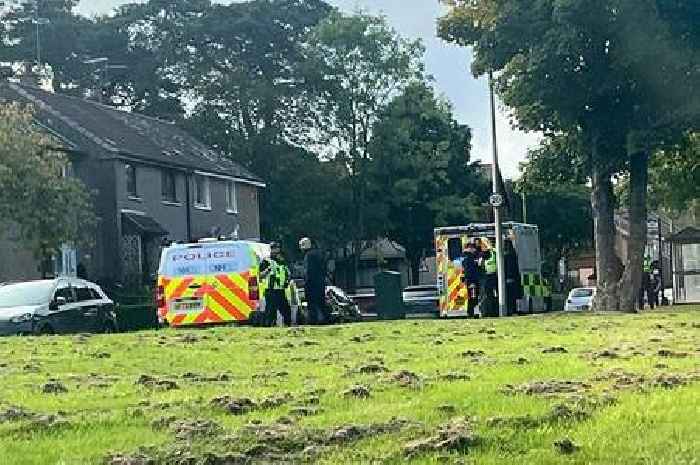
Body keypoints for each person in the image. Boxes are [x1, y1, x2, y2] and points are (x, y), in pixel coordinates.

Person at [260, 242, 292, 326]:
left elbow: (287, 272)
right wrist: (268, 270)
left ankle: (288, 326)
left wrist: (287, 281)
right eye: (274, 248)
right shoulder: (266, 261)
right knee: (270, 312)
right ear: (271, 249)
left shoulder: (282, 261)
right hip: (270, 290)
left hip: (280, 289)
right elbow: (260, 275)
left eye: (278, 248)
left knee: (286, 310)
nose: (277, 250)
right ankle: (268, 327)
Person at [300, 237, 329, 325]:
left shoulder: (308, 256)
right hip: (320, 282)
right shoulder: (319, 254)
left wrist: (306, 282)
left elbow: (308, 271)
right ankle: (327, 319)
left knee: (311, 303)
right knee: (321, 302)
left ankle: (313, 320)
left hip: (311, 284)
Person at [478, 237, 498, 317]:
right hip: (485, 277)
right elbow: (480, 266)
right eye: (482, 244)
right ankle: (486, 312)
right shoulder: (481, 254)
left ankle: (493, 312)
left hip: (494, 276)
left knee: (493, 295)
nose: (483, 246)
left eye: (484, 244)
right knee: (486, 296)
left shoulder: (493, 252)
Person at [461, 241, 480, 318]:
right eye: (473, 248)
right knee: (474, 297)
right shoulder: (472, 256)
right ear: (471, 248)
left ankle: (469, 313)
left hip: (467, 279)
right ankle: (474, 313)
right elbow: (473, 268)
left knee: (469, 297)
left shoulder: (463, 256)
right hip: (473, 279)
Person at [503, 240, 522, 316]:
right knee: (513, 297)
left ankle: (509, 311)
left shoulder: (506, 256)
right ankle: (514, 310)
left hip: (508, 278)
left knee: (509, 297)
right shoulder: (514, 255)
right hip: (514, 278)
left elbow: (507, 268)